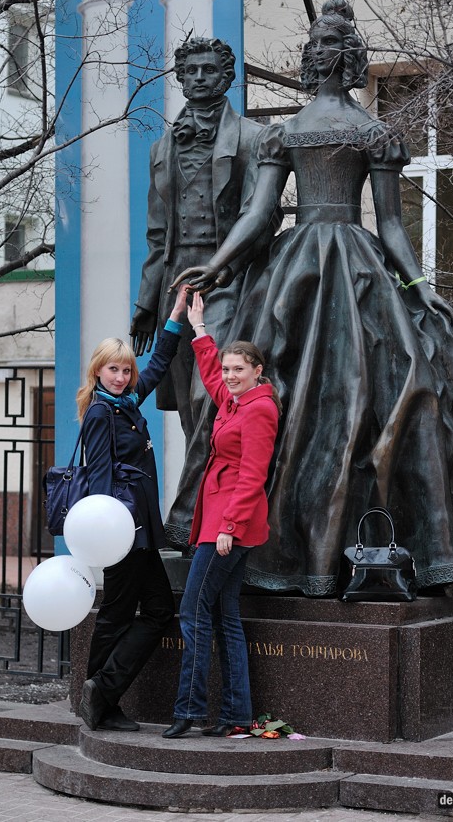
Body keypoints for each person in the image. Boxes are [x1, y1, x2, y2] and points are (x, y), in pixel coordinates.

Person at [171, 0, 453, 598]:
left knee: (389, 387)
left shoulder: (375, 133)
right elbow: (261, 211)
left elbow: (392, 224)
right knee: (281, 395)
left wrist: (420, 288)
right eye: (316, 46)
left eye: (333, 48)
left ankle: (371, 546)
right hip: (296, 272)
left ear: (348, 60)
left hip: (359, 267)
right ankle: (273, 541)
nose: (322, 55)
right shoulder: (283, 133)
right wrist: (215, 265)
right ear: (310, 59)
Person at [130, 36, 280, 551]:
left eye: (208, 70)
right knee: (193, 410)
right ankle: (201, 511)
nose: (198, 78)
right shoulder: (161, 147)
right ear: (180, 77)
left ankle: (189, 514)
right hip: (176, 279)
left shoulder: (256, 138)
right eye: (189, 70)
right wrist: (146, 302)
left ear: (226, 77)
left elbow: (260, 218)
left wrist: (224, 268)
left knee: (209, 390)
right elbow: (156, 233)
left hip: (228, 277)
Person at [162, 292, 280, 739]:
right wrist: (201, 331)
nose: (230, 376)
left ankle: (189, 708)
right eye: (229, 369)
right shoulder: (236, 400)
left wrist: (229, 527)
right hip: (222, 521)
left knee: (193, 611)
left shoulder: (260, 410)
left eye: (239, 370)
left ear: (257, 372)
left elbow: (253, 476)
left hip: (230, 525)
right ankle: (235, 715)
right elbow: (212, 377)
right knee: (225, 615)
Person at [78, 285, 189, 732]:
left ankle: (100, 692)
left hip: (139, 530)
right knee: (118, 615)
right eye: (113, 370)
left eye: (126, 370)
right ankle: (101, 695)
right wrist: (115, 533)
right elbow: (100, 480)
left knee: (156, 610)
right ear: (98, 371)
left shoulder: (125, 403)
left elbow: (159, 363)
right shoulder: (100, 414)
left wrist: (176, 315)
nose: (122, 377)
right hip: (121, 531)